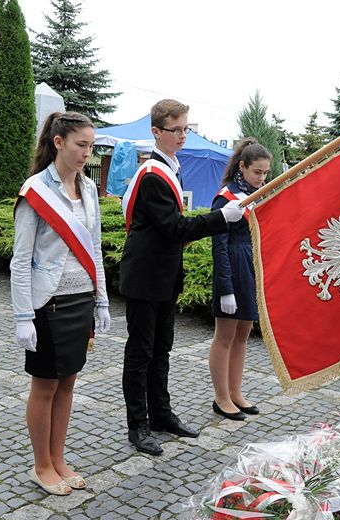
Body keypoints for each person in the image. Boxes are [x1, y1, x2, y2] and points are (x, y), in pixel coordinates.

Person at [120, 99, 243, 455]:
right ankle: (138, 425)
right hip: (145, 278)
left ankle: (161, 415)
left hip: (164, 276)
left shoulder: (170, 168)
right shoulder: (153, 176)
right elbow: (174, 228)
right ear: (156, 132)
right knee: (140, 354)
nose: (183, 135)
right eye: (176, 130)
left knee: (162, 350)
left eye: (186, 128)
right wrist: (221, 218)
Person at [10, 112, 111, 496]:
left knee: (68, 381)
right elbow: (21, 259)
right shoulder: (35, 190)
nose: (88, 153)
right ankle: (41, 465)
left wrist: (100, 300)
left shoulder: (88, 190)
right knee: (46, 385)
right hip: (47, 304)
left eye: (91, 146)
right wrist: (23, 316)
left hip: (80, 299)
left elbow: (95, 249)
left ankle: (58, 458)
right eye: (80, 145)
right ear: (58, 143)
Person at [208, 139, 271, 421]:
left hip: (250, 268)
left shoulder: (257, 195)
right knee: (224, 337)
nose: (262, 178)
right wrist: (225, 289)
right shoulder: (225, 198)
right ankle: (221, 397)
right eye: (257, 172)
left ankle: (236, 392)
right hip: (232, 268)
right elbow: (218, 246)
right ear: (242, 166)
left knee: (243, 337)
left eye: (265, 173)